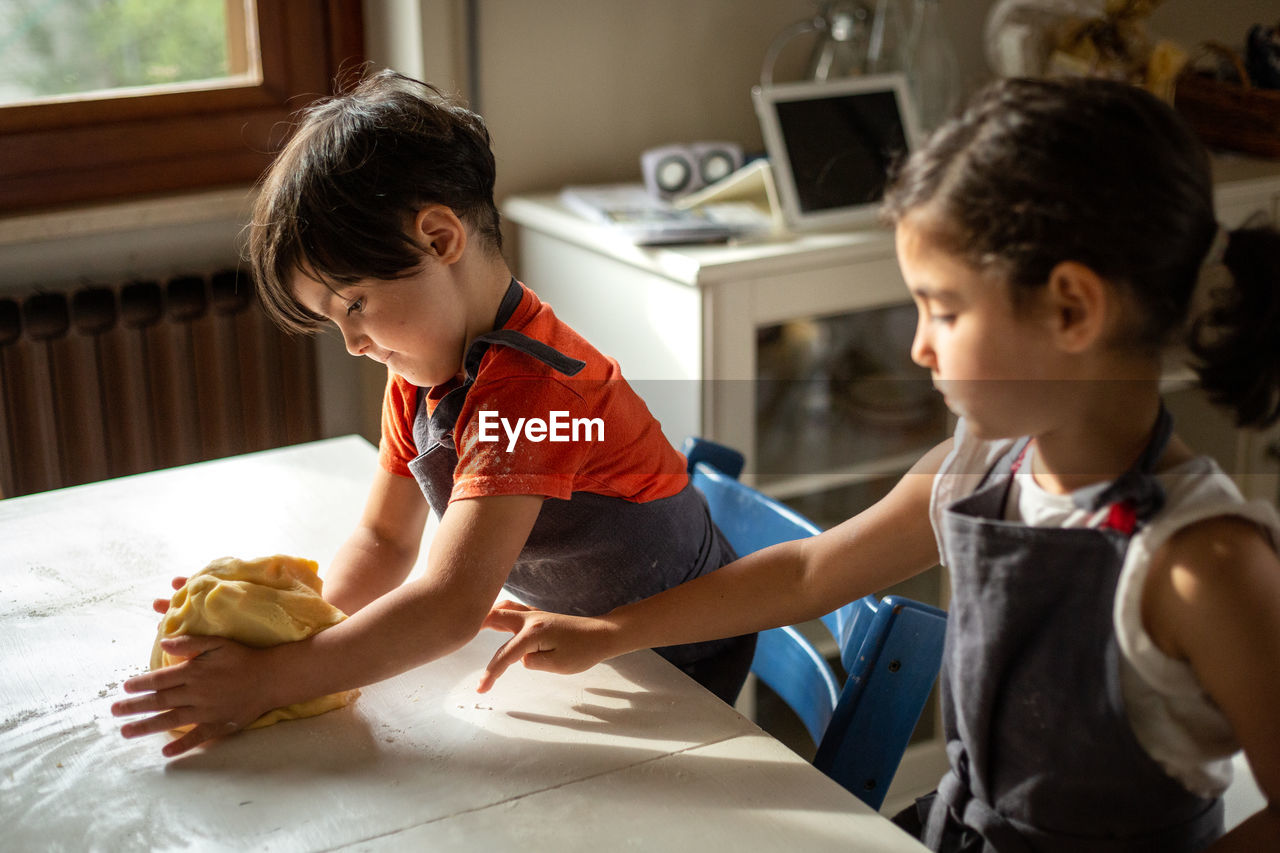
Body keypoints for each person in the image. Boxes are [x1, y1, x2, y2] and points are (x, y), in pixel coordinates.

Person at [476, 77, 1280, 851]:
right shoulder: (979, 463)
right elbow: (807, 574)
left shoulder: (1202, 564)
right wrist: (609, 631)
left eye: (945, 307)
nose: (919, 344)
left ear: (1071, 308)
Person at [111, 69, 754, 757]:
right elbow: (385, 541)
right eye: (335, 323)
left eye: (353, 303)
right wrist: (281, 625)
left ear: (440, 239)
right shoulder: (420, 375)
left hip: (675, 658)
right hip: (581, 640)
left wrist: (273, 680)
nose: (355, 343)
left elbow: (450, 606)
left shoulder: (535, 391)